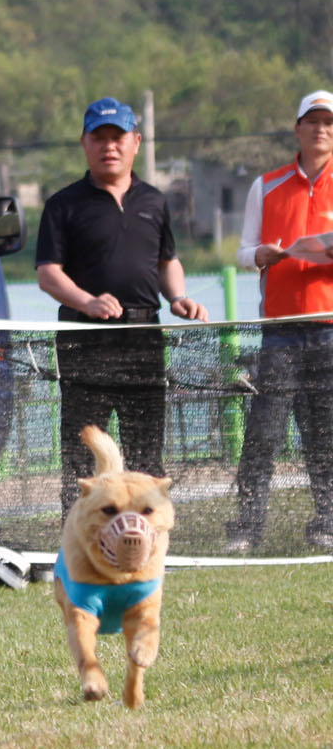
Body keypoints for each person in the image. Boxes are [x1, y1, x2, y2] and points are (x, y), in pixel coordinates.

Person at [35, 97, 208, 513]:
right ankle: (75, 537)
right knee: (83, 451)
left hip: (144, 337)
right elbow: (48, 273)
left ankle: (146, 534)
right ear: (84, 143)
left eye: (118, 138)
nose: (109, 146)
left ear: (136, 142)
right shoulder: (63, 204)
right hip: (84, 340)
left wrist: (179, 298)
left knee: (146, 449)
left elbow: (167, 261)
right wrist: (87, 301)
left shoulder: (155, 201)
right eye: (99, 138)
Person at [226, 90, 333, 551]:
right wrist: (261, 256)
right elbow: (242, 251)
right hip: (281, 330)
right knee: (264, 431)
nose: (321, 129)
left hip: (329, 326)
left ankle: (327, 523)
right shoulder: (265, 186)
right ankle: (246, 529)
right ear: (297, 128)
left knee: (325, 432)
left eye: (328, 122)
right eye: (313, 121)